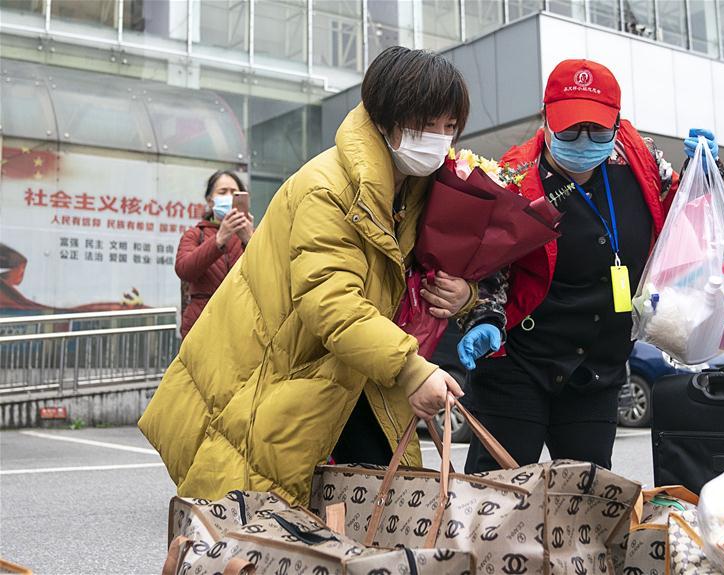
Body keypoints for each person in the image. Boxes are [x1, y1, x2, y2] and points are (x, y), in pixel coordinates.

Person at [139, 47, 475, 506]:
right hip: (278, 376)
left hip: (351, 374)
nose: (438, 139)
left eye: (449, 127)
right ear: (383, 118)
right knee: (263, 531)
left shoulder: (413, 189)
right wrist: (411, 369)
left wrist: (466, 294)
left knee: (372, 520)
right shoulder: (327, 187)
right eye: (424, 125)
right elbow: (331, 300)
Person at [457, 59, 723, 473]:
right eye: (569, 129)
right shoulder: (514, 177)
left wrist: (704, 171)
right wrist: (486, 318)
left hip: (598, 368)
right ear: (546, 120)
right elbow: (489, 263)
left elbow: (680, 214)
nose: (583, 140)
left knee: (587, 498)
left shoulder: (642, 163)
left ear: (617, 123)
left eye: (597, 129)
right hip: (519, 364)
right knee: (496, 495)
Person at [175, 170, 254, 339]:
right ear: (210, 201)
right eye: (222, 192)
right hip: (201, 326)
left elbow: (268, 277)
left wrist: (250, 239)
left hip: (240, 326)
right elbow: (184, 270)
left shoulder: (252, 236)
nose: (229, 197)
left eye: (234, 193)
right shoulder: (195, 234)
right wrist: (218, 240)